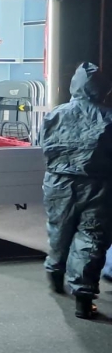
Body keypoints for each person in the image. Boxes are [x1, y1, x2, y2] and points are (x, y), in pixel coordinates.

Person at [41, 62, 112, 319]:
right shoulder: (108, 117)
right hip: (97, 185)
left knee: (59, 230)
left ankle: (55, 274)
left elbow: (44, 145)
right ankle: (83, 299)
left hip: (58, 182)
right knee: (91, 239)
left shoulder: (55, 114)